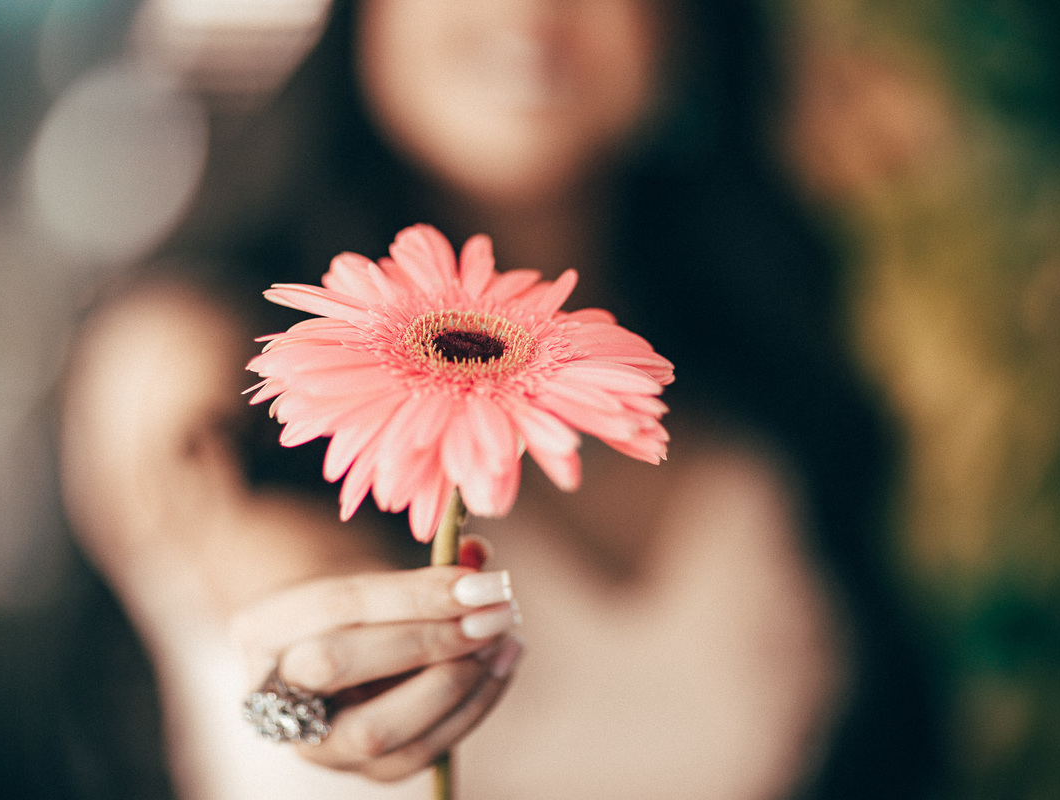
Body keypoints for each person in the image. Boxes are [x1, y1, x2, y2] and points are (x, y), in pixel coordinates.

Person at [59, 0, 939, 797]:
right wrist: (319, 667)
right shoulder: (201, 348)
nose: (532, 8)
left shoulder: (764, 386)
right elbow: (248, 541)